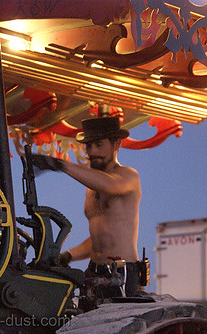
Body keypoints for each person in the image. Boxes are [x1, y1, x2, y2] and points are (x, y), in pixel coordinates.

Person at [30, 116, 144, 298]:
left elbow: (111, 185)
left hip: (122, 274)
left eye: (99, 145)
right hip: (95, 272)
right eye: (88, 146)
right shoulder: (91, 188)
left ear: (117, 144)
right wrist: (67, 256)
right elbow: (100, 238)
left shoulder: (129, 176)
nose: (92, 152)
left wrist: (59, 164)